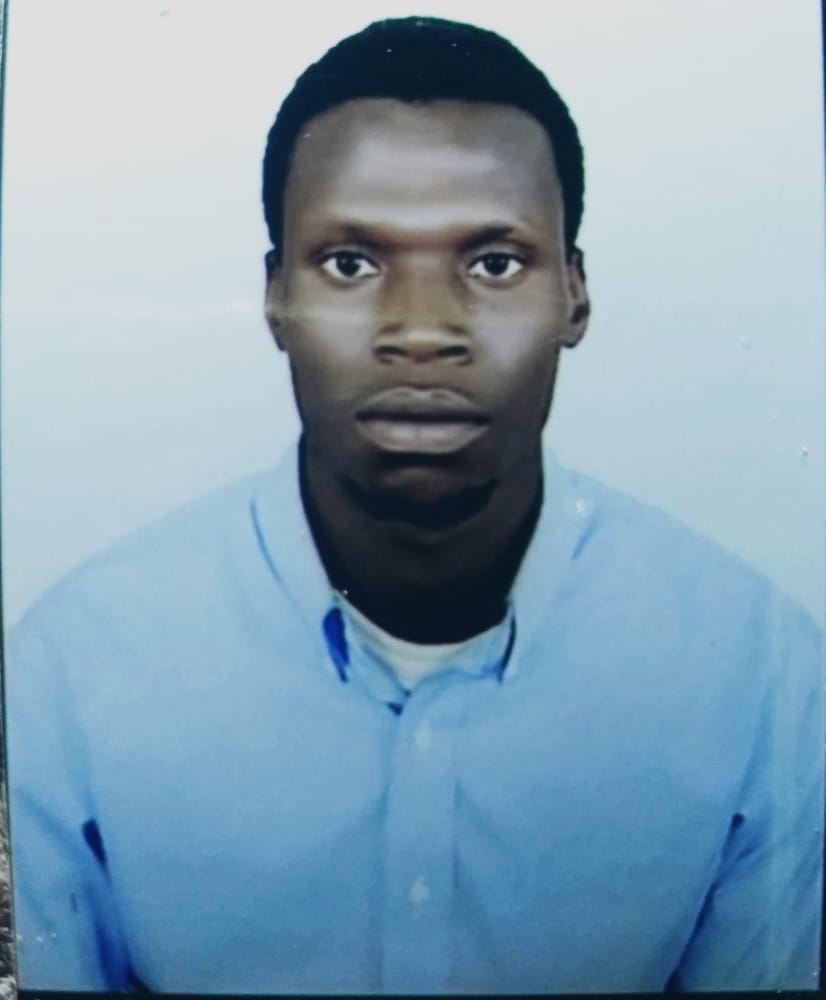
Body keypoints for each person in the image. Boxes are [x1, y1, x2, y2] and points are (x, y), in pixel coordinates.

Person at [5, 15, 822, 995]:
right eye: (352, 263)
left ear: (575, 293)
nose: (423, 331)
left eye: (494, 263)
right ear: (273, 295)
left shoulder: (766, 679)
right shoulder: (66, 677)